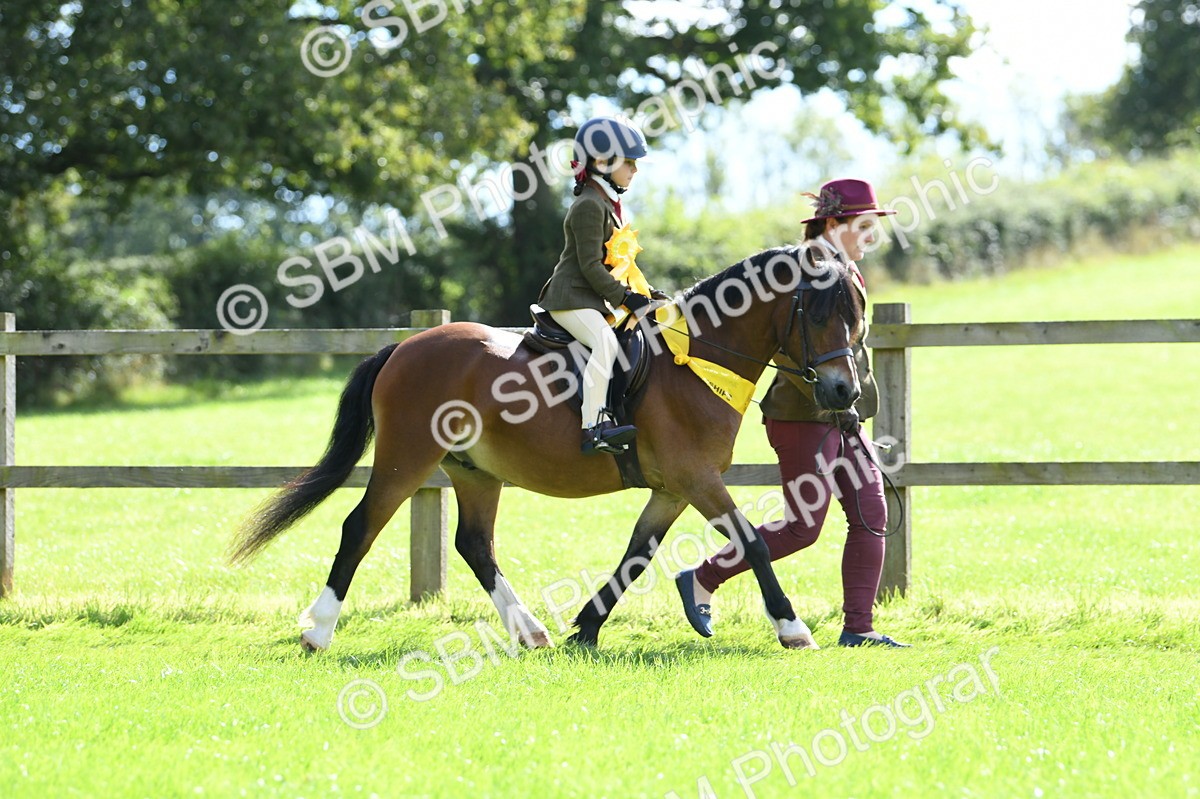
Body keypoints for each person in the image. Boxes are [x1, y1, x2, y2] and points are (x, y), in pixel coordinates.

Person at [674, 178, 911, 648]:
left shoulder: (844, 271)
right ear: (831, 223)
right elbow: (787, 347)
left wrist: (850, 411)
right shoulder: (800, 270)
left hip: (844, 418)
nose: (870, 236)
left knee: (871, 513)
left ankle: (858, 629)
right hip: (801, 417)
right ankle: (701, 578)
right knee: (803, 527)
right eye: (862, 226)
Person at [537, 116, 658, 455]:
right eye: (629, 163)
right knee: (604, 343)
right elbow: (590, 266)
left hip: (590, 300)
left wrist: (644, 295)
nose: (635, 170)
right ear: (602, 162)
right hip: (569, 298)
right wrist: (623, 298)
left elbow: (619, 265)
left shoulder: (606, 204)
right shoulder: (590, 205)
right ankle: (594, 426)